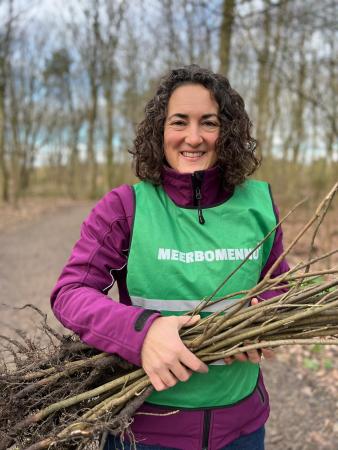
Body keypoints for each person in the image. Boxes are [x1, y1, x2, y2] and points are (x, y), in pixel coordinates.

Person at [51, 64, 289, 450]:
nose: (193, 137)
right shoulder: (125, 208)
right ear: (160, 130)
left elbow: (280, 286)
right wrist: (142, 333)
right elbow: (71, 293)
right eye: (179, 121)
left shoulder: (259, 205)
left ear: (227, 131)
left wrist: (263, 315)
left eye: (208, 123)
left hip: (241, 429)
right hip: (145, 433)